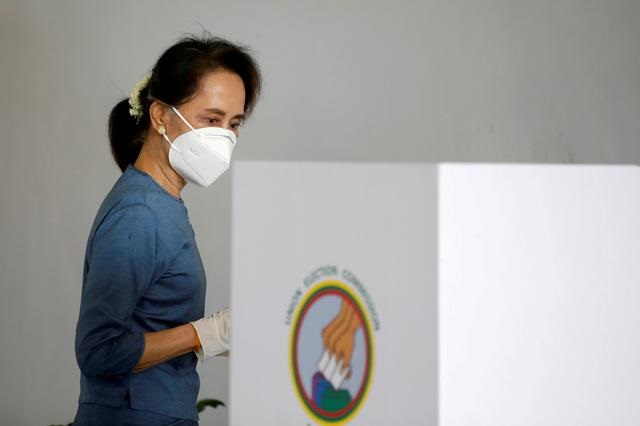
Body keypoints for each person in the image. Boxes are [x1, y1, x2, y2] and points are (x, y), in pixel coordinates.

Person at [73, 33, 262, 425]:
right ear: (160, 116)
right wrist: (206, 334)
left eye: (234, 124)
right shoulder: (139, 213)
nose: (224, 137)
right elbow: (97, 351)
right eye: (211, 120)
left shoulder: (162, 203)